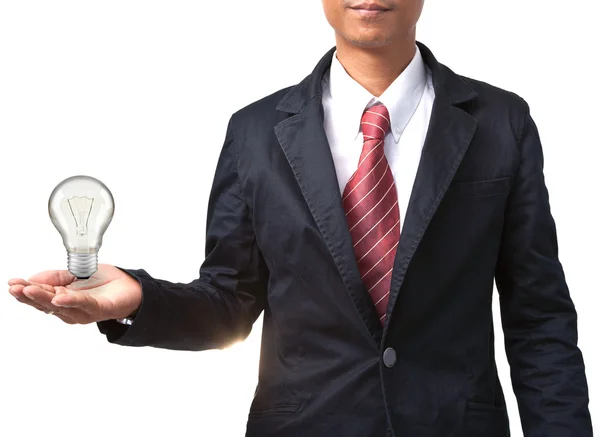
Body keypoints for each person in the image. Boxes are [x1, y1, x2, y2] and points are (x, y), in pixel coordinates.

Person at [7, 1, 593, 436]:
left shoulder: (500, 123)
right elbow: (231, 303)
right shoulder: (256, 133)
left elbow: (538, 318)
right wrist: (139, 298)